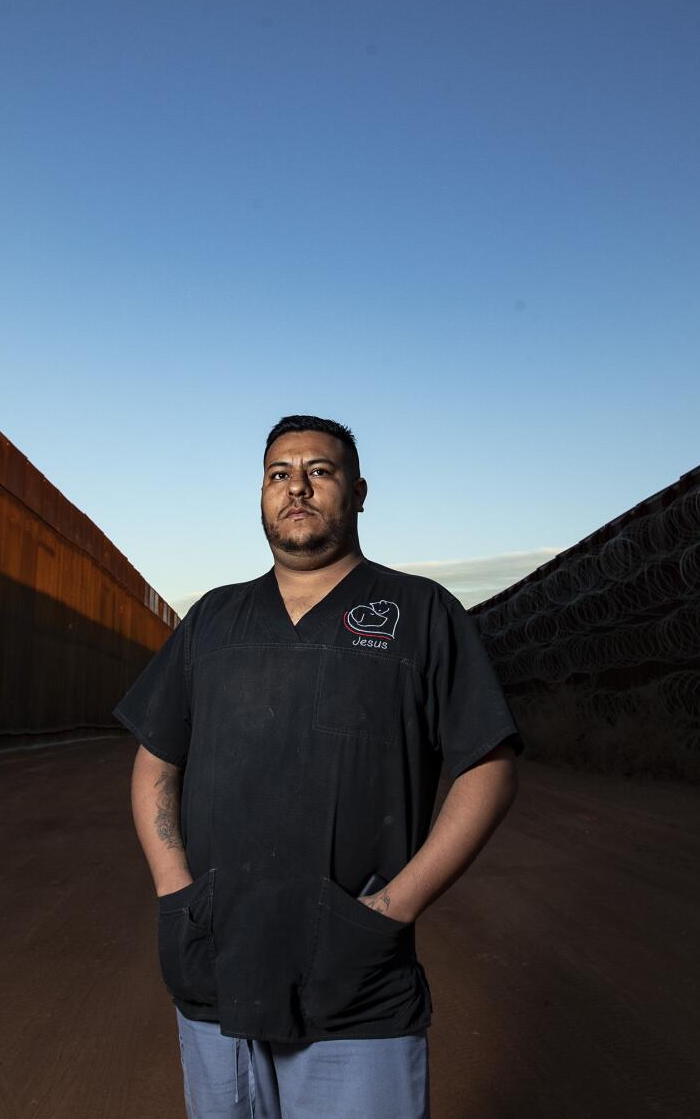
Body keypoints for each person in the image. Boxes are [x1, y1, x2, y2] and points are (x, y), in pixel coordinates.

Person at [115, 415, 523, 1119]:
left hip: (354, 980)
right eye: (279, 473)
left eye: (320, 470)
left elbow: (488, 763)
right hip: (216, 964)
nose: (296, 486)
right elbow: (156, 760)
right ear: (263, 494)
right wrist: (175, 889)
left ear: (359, 491)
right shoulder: (212, 619)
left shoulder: (420, 611)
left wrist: (392, 908)